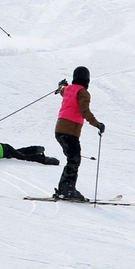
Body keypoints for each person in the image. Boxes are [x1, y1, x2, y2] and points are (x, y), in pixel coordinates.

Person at [53, 66, 105, 201]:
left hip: (59, 130)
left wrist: (61, 85)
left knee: (72, 159)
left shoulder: (68, 89)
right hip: (70, 130)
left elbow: (62, 90)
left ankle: (63, 189)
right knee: (74, 159)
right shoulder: (83, 93)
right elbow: (84, 111)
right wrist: (97, 124)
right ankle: (68, 189)